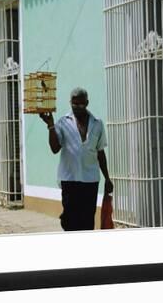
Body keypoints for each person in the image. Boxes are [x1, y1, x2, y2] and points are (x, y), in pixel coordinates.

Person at [39, 87, 114, 231]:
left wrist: (107, 178)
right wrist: (50, 126)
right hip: (69, 181)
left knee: (87, 222)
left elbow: (100, 153)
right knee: (70, 221)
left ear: (87, 103)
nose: (77, 108)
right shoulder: (62, 123)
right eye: (74, 104)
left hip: (90, 181)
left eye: (80, 104)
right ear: (70, 103)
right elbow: (55, 149)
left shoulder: (97, 124)